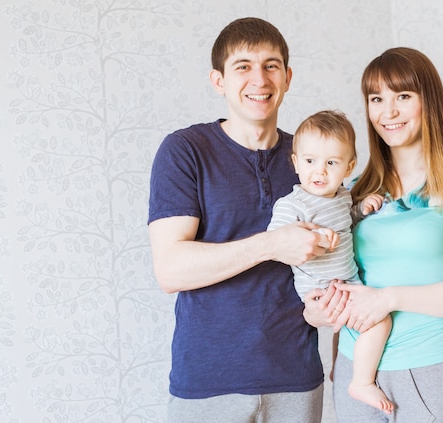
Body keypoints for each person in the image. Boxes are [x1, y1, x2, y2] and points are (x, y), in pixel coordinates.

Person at [303, 47, 443, 422]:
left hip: (430, 369)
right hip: (353, 368)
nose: (388, 112)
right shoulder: (354, 191)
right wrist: (317, 311)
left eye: (403, 97)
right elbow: (329, 273)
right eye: (376, 99)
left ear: (429, 101)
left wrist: (388, 299)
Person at [147, 17, 330, 423]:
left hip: (296, 378)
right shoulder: (185, 151)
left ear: (287, 77)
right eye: (243, 66)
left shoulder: (310, 160)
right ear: (219, 81)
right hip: (208, 384)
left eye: (271, 65)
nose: (259, 79)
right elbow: (170, 270)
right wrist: (270, 244)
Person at [267, 110, 393, 414]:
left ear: (348, 167)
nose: (319, 171)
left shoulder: (341, 197)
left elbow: (346, 221)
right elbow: (276, 241)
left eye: (331, 163)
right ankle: (361, 382)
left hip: (347, 281)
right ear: (296, 162)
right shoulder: (291, 205)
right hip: (322, 287)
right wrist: (315, 238)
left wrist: (362, 207)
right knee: (380, 321)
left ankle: (345, 371)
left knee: (358, 327)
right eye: (310, 161)